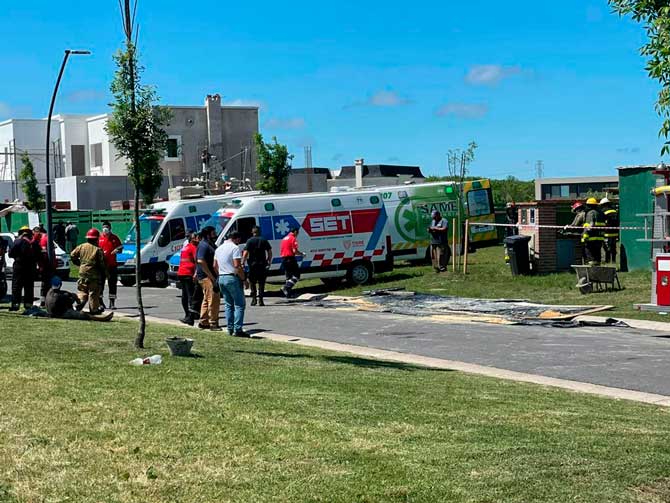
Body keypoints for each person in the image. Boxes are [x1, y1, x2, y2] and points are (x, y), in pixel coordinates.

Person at [215, 231, 249, 337]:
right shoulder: (234, 248)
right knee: (239, 304)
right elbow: (237, 265)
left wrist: (220, 274)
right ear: (236, 238)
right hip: (231, 277)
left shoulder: (219, 248)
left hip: (221, 277)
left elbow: (214, 265)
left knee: (228, 304)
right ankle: (237, 329)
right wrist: (244, 279)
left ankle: (230, 328)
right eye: (239, 240)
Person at [70, 228, 107, 313]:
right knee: (93, 292)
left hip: (82, 273)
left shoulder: (81, 246)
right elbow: (102, 264)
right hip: (93, 275)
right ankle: (94, 309)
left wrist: (78, 263)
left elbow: (72, 255)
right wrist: (105, 273)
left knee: (82, 290)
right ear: (96, 239)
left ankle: (80, 302)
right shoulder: (98, 250)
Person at [45, 276, 113, 321]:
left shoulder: (49, 292)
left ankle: (79, 307)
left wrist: (68, 294)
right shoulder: (61, 296)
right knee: (82, 314)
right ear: (60, 285)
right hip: (60, 314)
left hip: (51, 312)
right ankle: (100, 319)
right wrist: (73, 297)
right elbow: (69, 302)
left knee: (73, 297)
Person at [195, 226, 221, 330]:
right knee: (214, 300)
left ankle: (203, 322)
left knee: (206, 299)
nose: (215, 235)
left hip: (210, 276)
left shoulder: (211, 245)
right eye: (213, 233)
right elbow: (200, 261)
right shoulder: (203, 245)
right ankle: (213, 323)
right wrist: (211, 276)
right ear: (208, 234)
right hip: (207, 277)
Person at [8, 226, 37, 311]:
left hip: (19, 266)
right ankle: (28, 305)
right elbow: (39, 255)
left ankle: (15, 305)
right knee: (29, 287)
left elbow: (10, 254)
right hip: (30, 267)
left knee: (16, 286)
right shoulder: (33, 242)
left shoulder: (18, 241)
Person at [243, 226, 272, 306]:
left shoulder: (249, 241)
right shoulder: (264, 240)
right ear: (259, 232)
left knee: (252, 282)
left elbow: (245, 253)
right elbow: (269, 251)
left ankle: (254, 299)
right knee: (261, 282)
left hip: (252, 265)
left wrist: (243, 262)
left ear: (253, 232)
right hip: (262, 264)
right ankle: (261, 300)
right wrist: (269, 261)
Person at [98, 221, 123, 309]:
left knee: (112, 284)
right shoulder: (99, 238)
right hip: (101, 266)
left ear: (110, 228)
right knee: (100, 285)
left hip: (112, 265)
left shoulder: (114, 238)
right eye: (104, 227)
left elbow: (120, 248)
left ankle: (112, 303)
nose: (105, 229)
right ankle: (100, 302)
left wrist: (117, 250)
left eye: (107, 227)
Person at [177, 231, 199, 326]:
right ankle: (190, 317)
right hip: (188, 273)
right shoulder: (194, 248)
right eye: (197, 237)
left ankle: (187, 315)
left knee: (185, 295)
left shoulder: (185, 247)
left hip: (181, 272)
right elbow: (198, 261)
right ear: (193, 239)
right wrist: (196, 274)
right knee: (191, 296)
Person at [280, 227, 304, 298]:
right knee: (297, 275)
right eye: (298, 233)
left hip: (283, 259)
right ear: (295, 232)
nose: (297, 235)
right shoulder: (293, 238)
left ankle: (288, 293)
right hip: (290, 259)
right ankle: (286, 287)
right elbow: (294, 251)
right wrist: (301, 254)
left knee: (289, 276)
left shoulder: (284, 239)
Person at [582, 197, 606, 266]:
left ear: (589, 205)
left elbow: (590, 226)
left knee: (589, 252)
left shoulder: (590, 213)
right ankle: (598, 267)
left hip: (591, 237)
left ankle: (591, 267)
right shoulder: (601, 213)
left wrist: (585, 235)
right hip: (600, 237)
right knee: (597, 253)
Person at [600, 198, 619, 265]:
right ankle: (613, 261)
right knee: (613, 248)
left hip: (606, 233)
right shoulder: (614, 211)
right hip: (615, 233)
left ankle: (607, 261)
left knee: (606, 248)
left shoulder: (603, 211)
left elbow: (601, 221)